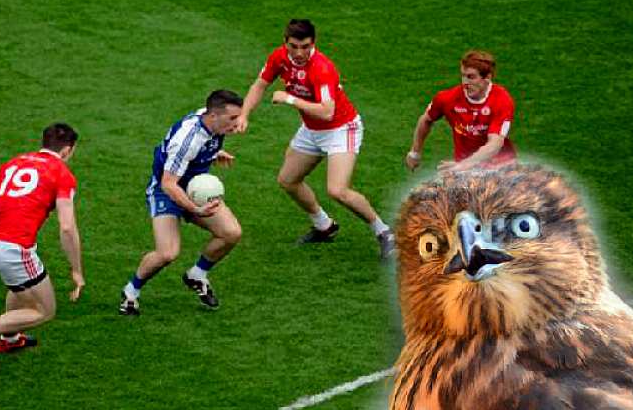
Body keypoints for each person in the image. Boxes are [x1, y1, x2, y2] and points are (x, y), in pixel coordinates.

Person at [236, 19, 395, 259]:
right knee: (288, 180)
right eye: (294, 46)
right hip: (312, 130)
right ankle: (324, 225)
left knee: (337, 190)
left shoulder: (321, 68)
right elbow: (260, 85)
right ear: (285, 42)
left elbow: (327, 111)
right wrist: (244, 115)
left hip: (341, 129)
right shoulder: (278, 57)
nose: (299, 53)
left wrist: (290, 99)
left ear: (314, 43)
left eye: (305, 47)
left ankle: (384, 232)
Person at [0, 123, 84, 378]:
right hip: (14, 248)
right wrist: (77, 270)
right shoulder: (62, 174)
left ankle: (11, 338)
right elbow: (67, 228)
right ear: (68, 150)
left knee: (18, 286)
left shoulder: (12, 163)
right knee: (44, 310)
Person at [120, 90, 243, 316]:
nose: (237, 124)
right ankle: (131, 291)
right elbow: (168, 183)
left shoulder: (210, 122)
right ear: (214, 115)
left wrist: (214, 153)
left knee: (231, 233)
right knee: (167, 253)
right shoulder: (188, 140)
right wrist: (194, 209)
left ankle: (197, 274)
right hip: (165, 191)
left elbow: (202, 144)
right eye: (233, 119)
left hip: (193, 188)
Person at [405, 50, 517, 172]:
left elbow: (495, 143)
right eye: (463, 76)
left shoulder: (501, 100)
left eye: (471, 77)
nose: (465, 83)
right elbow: (426, 120)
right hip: (465, 168)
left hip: (502, 167)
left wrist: (464, 165)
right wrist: (415, 152)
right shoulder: (447, 98)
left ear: (487, 77)